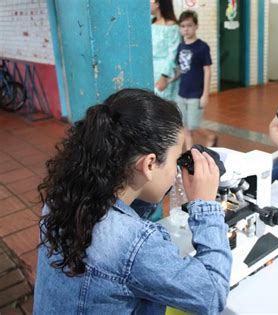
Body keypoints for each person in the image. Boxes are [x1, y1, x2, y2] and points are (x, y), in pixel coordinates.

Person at [33, 89, 232, 314]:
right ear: (148, 164)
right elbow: (213, 295)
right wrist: (206, 206)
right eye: (176, 160)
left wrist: (158, 186)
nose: (177, 170)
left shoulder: (64, 196)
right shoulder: (134, 245)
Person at [176, 10, 216, 149]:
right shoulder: (181, 46)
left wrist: (205, 94)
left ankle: (210, 136)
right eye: (183, 26)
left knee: (193, 125)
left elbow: (207, 70)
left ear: (196, 26)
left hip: (196, 93)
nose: (186, 29)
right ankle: (189, 154)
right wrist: (170, 80)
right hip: (182, 92)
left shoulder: (202, 47)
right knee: (185, 126)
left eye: (189, 25)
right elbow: (181, 68)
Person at [151, 0, 180, 101]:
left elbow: (172, 53)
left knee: (162, 103)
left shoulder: (171, 26)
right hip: (151, 68)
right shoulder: (151, 22)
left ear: (158, 3)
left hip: (163, 70)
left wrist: (164, 76)